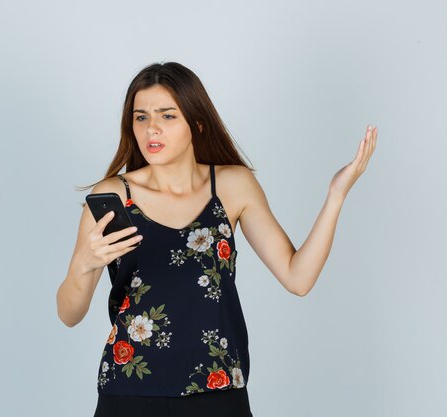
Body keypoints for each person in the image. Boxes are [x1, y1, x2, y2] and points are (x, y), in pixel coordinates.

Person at [56, 61, 377, 417]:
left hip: (219, 390)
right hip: (130, 392)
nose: (152, 130)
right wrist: (84, 264)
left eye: (167, 116)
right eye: (141, 117)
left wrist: (336, 195)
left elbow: (298, 278)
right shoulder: (114, 196)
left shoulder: (232, 186)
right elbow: (69, 314)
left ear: (197, 122)